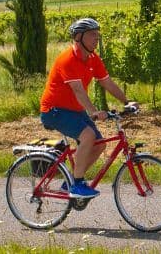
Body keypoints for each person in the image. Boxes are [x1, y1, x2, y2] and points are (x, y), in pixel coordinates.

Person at [39, 17, 136, 199]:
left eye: (97, 35)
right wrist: (93, 111)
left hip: (74, 110)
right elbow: (78, 91)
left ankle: (70, 181)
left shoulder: (92, 59)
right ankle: (76, 184)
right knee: (88, 136)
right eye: (92, 34)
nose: (96, 38)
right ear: (78, 37)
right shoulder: (68, 59)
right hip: (54, 110)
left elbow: (107, 82)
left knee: (98, 145)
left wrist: (127, 102)